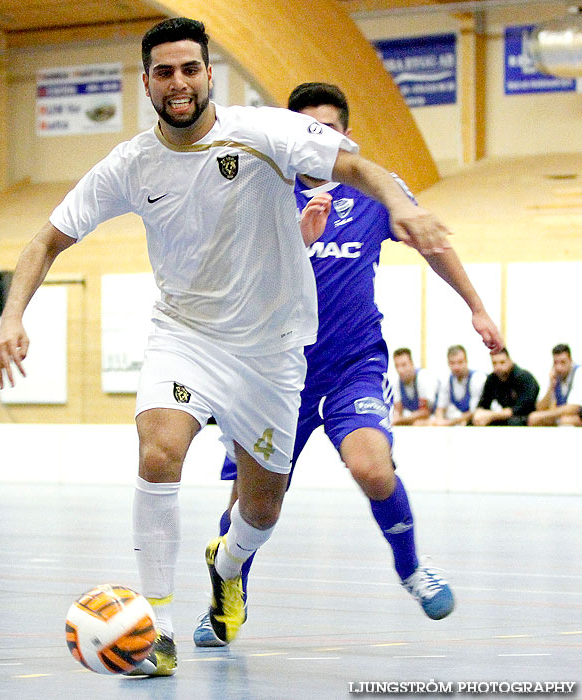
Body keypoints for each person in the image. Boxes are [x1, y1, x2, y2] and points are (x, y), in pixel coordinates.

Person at [0, 21, 455, 676]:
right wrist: (12, 315)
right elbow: (46, 241)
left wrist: (399, 206)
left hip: (271, 351)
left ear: (209, 75)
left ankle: (227, 565)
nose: (177, 82)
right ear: (146, 82)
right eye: (163, 72)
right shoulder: (129, 164)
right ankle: (159, 629)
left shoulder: (264, 133)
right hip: (186, 336)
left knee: (260, 509)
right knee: (159, 450)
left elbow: (355, 164)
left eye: (188, 69)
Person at [192, 82, 503, 648]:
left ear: (345, 135)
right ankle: (225, 595)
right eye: (307, 128)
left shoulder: (370, 194)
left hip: (351, 365)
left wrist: (477, 308)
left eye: (329, 128)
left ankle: (410, 568)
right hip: (273, 375)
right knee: (255, 507)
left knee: (373, 469)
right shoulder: (261, 193)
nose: (319, 139)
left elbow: (432, 244)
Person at [472, 349, 539, 426]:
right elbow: (483, 403)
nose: (498, 367)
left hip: (525, 418)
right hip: (503, 416)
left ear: (510, 361)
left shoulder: (525, 378)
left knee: (514, 422)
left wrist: (491, 415)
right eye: (494, 363)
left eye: (502, 362)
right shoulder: (492, 379)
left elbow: (521, 408)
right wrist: (479, 416)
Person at [429, 345, 487, 426]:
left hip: (475, 422)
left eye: (460, 362)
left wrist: (448, 423)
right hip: (458, 421)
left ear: (466, 361)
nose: (456, 367)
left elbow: (474, 412)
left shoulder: (477, 378)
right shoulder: (446, 381)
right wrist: (439, 421)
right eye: (452, 363)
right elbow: (440, 409)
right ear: (448, 364)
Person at [527, 344, 582, 426]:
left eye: (563, 362)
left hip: (578, 416)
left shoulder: (578, 372)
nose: (559, 367)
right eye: (556, 363)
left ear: (571, 361)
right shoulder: (553, 375)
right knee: (534, 419)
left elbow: (574, 408)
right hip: (561, 416)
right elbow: (540, 408)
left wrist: (545, 415)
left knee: (566, 420)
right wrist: (551, 387)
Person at [391, 347, 440, 426]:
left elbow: (425, 412)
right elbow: (398, 413)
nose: (400, 370)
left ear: (412, 364)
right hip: (418, 419)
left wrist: (399, 420)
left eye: (404, 365)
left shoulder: (423, 378)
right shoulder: (396, 384)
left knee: (418, 423)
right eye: (397, 366)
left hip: (438, 417)